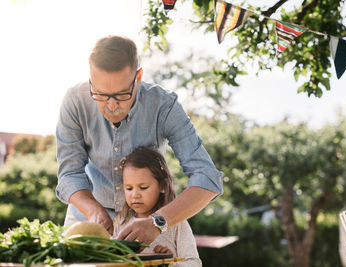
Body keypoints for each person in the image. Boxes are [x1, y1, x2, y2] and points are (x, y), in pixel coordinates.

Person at [56, 35, 223, 245]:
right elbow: (69, 174)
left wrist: (157, 222)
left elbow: (207, 178)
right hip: (87, 219)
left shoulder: (164, 106)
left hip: (148, 223)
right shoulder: (74, 102)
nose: (111, 105)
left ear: (138, 77)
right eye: (100, 94)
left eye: (121, 94)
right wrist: (93, 210)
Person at [113, 147, 201, 266]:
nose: (135, 195)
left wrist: (170, 263)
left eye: (143, 187)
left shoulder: (176, 222)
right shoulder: (121, 222)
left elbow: (194, 263)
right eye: (129, 188)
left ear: (162, 186)